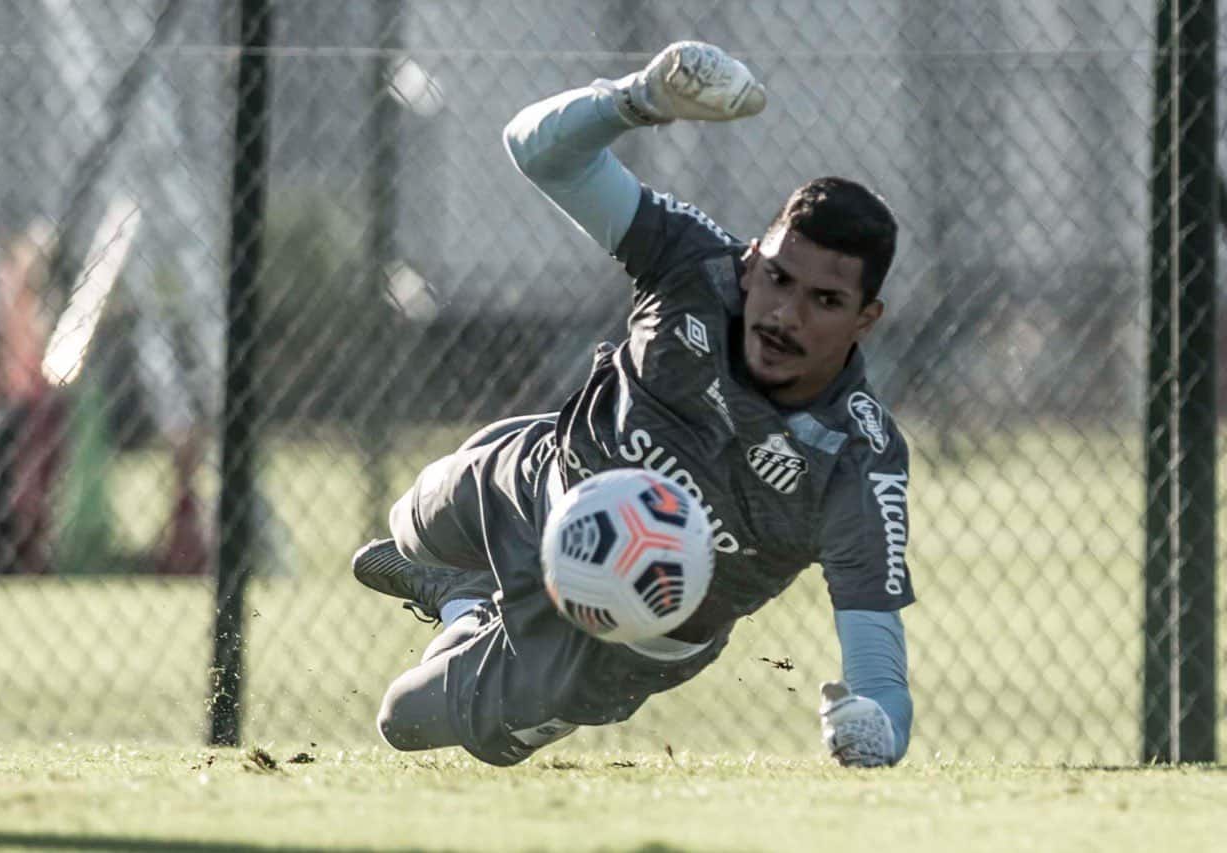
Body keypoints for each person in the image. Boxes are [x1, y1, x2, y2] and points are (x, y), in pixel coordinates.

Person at [355, 42, 914, 768]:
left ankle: (469, 617)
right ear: (751, 262)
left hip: (625, 642)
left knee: (401, 719)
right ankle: (462, 580)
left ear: (865, 319)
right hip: (539, 484)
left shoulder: (856, 459)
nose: (786, 314)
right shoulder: (695, 263)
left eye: (826, 300)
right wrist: (638, 98)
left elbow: (881, 672)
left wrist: (876, 728)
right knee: (410, 522)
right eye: (778, 278)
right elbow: (537, 151)